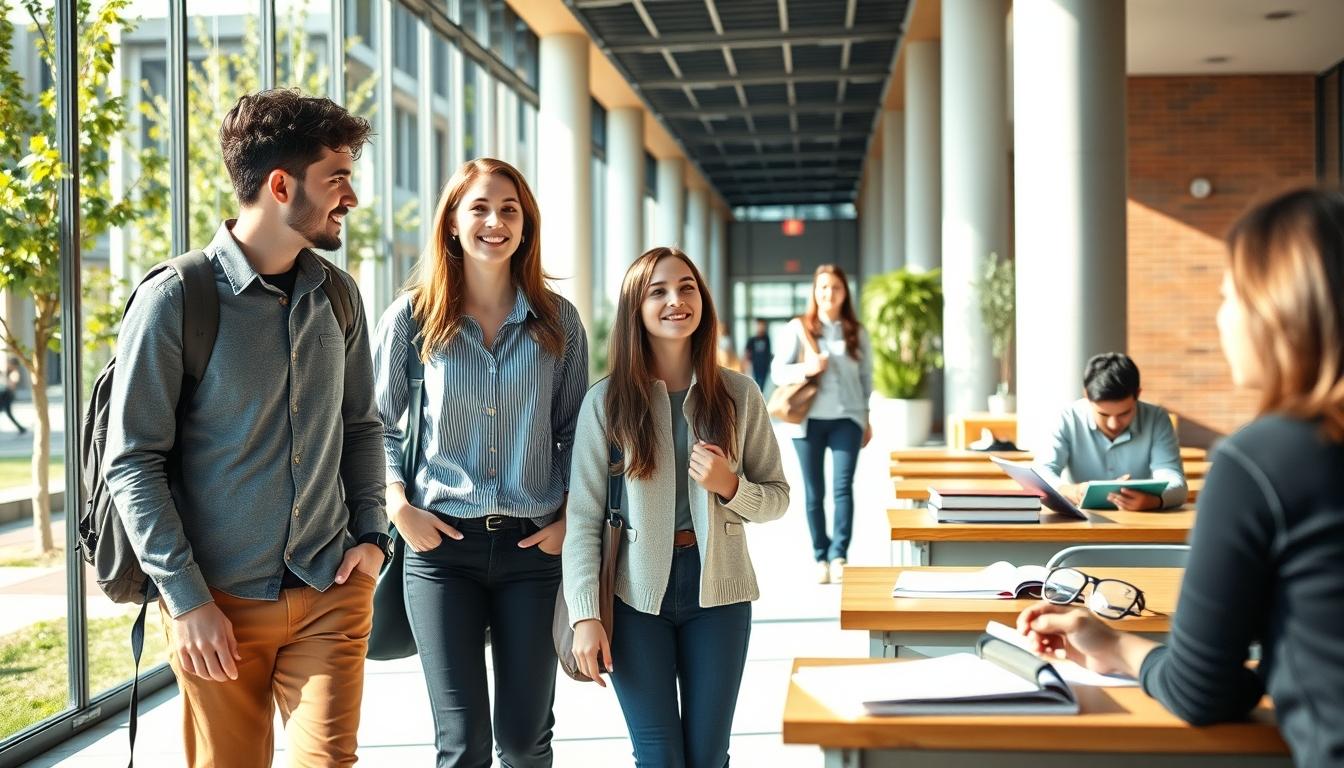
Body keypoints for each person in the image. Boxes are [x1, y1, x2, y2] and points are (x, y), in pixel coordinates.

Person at [103, 89, 387, 767]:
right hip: (216, 604)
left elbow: (361, 428)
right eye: (337, 178)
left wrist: (373, 538)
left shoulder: (338, 296)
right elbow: (132, 461)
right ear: (281, 185)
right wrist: (185, 598)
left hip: (329, 591)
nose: (351, 198)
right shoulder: (175, 298)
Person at [1017, 188, 1344, 767]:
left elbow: (1202, 691)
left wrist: (1113, 643)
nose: (1221, 317)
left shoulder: (1263, 461)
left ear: (1278, 312)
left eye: (1228, 295)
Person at [373, 157, 588, 768]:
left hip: (532, 551)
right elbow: (375, 427)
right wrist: (398, 506)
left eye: (509, 210)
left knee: (524, 741)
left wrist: (570, 518)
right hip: (442, 552)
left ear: (526, 226)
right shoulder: (413, 318)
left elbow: (577, 432)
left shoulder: (559, 321)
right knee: (463, 746)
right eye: (480, 208)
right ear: (451, 224)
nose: (495, 221)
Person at [564, 246, 789, 767]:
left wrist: (731, 485)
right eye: (658, 291)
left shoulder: (738, 395)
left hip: (720, 596)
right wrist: (585, 616)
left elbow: (776, 498)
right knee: (659, 756)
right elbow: (583, 520)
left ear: (702, 301)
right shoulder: (607, 402)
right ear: (635, 308)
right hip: (635, 597)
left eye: (686, 287)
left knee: (709, 756)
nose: (675, 300)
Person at [772, 264, 872, 584]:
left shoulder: (857, 331)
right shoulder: (798, 328)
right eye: (823, 287)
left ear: (845, 293)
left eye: (836, 288)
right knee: (814, 492)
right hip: (808, 422)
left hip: (848, 418)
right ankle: (821, 555)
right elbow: (777, 373)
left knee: (843, 488)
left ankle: (839, 554)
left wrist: (866, 417)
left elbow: (866, 378)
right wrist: (807, 367)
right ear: (815, 292)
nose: (829, 293)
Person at [1035, 352, 1188, 510]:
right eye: (1103, 414)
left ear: (1138, 394)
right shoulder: (1068, 417)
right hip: (1080, 525)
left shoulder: (1156, 418)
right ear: (1087, 396)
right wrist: (1071, 490)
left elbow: (1176, 482)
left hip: (1139, 523)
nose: (1113, 424)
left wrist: (1153, 501)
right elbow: (1042, 472)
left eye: (1124, 413)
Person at [743, 318, 772, 392]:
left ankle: (759, 401)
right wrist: (746, 365)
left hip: (764, 367)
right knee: (755, 386)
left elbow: (768, 353)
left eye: (762, 325)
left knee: (761, 387)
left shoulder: (766, 338)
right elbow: (747, 353)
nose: (761, 327)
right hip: (755, 366)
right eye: (759, 325)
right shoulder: (752, 339)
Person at [0, 357, 25, 433]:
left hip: (7, 396)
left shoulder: (15, 373)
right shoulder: (9, 373)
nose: (8, 365)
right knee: (9, 413)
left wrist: (5, 379)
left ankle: (21, 428)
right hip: (4, 395)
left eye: (10, 364)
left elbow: (11, 386)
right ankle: (21, 428)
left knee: (9, 413)